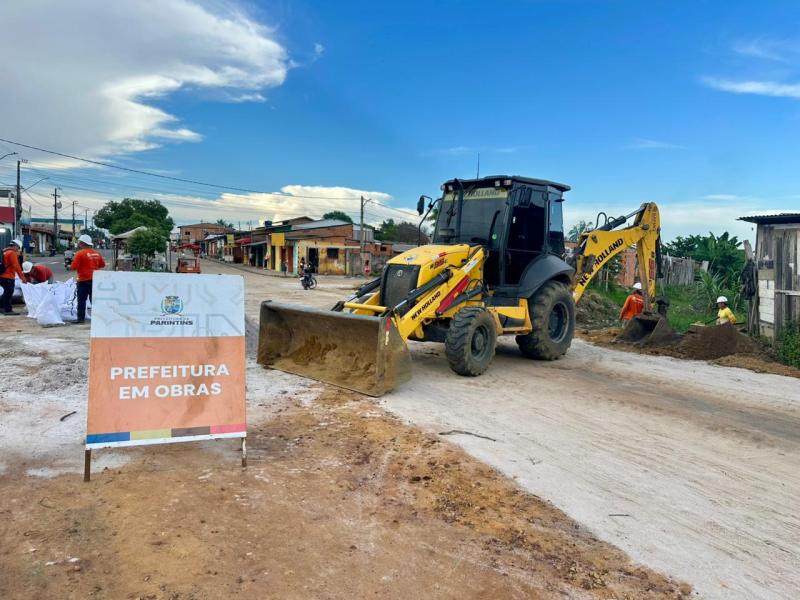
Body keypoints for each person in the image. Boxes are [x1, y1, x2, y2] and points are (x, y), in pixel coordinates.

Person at [70, 234, 106, 323]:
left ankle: (80, 319)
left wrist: (70, 265)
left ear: (82, 243)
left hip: (83, 280)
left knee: (81, 300)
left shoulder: (80, 253)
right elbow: (102, 265)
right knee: (94, 300)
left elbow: (73, 267)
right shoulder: (97, 253)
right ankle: (98, 319)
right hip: (95, 280)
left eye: (79, 243)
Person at [1, 239, 25, 315]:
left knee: (6, 292)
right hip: (8, 276)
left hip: (1, 275)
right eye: (18, 248)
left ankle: (2, 307)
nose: (18, 250)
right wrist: (22, 277)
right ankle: (8, 310)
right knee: (9, 293)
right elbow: (16, 266)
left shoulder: (4, 252)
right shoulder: (12, 253)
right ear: (15, 246)